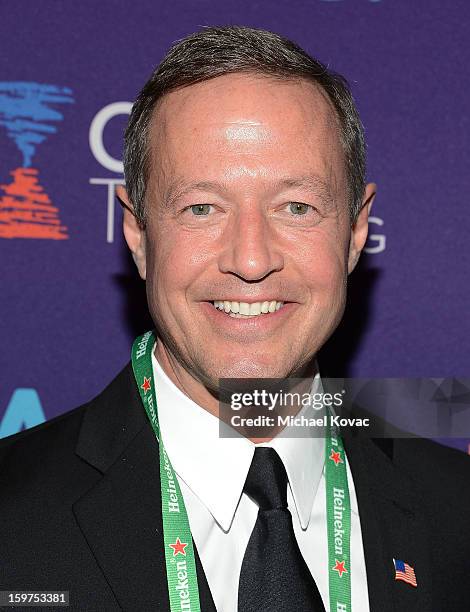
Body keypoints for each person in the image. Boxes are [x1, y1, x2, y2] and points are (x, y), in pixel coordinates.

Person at [0, 25, 469, 612]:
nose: (250, 260)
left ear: (355, 232)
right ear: (137, 233)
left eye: (296, 207)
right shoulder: (10, 520)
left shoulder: (457, 511)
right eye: (202, 207)